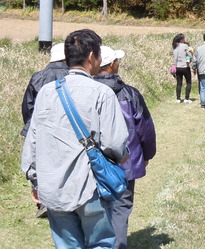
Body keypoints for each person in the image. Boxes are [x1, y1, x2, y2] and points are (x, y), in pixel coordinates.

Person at [21, 29, 129, 249]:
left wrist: (35, 180)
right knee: (100, 244)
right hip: (90, 187)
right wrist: (123, 156)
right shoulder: (102, 93)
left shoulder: (46, 92)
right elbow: (114, 144)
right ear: (91, 56)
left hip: (52, 186)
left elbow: (32, 140)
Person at [95, 46, 157, 249]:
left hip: (92, 163)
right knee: (121, 209)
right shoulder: (130, 93)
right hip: (125, 163)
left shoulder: (85, 92)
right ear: (111, 65)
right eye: (117, 61)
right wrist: (147, 154)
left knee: (93, 210)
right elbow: (145, 128)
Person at [20, 42, 69, 218]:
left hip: (39, 128)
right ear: (66, 57)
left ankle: (41, 200)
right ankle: (62, 198)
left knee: (38, 164)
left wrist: (31, 126)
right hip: (64, 129)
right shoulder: (70, 75)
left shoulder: (37, 76)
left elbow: (27, 106)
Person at [172, 34, 192, 103]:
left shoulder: (174, 46)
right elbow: (189, 55)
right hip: (185, 66)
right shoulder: (185, 46)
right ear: (181, 40)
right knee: (188, 82)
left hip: (177, 67)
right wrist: (190, 56)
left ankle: (178, 98)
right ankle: (186, 98)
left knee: (179, 83)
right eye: (183, 39)